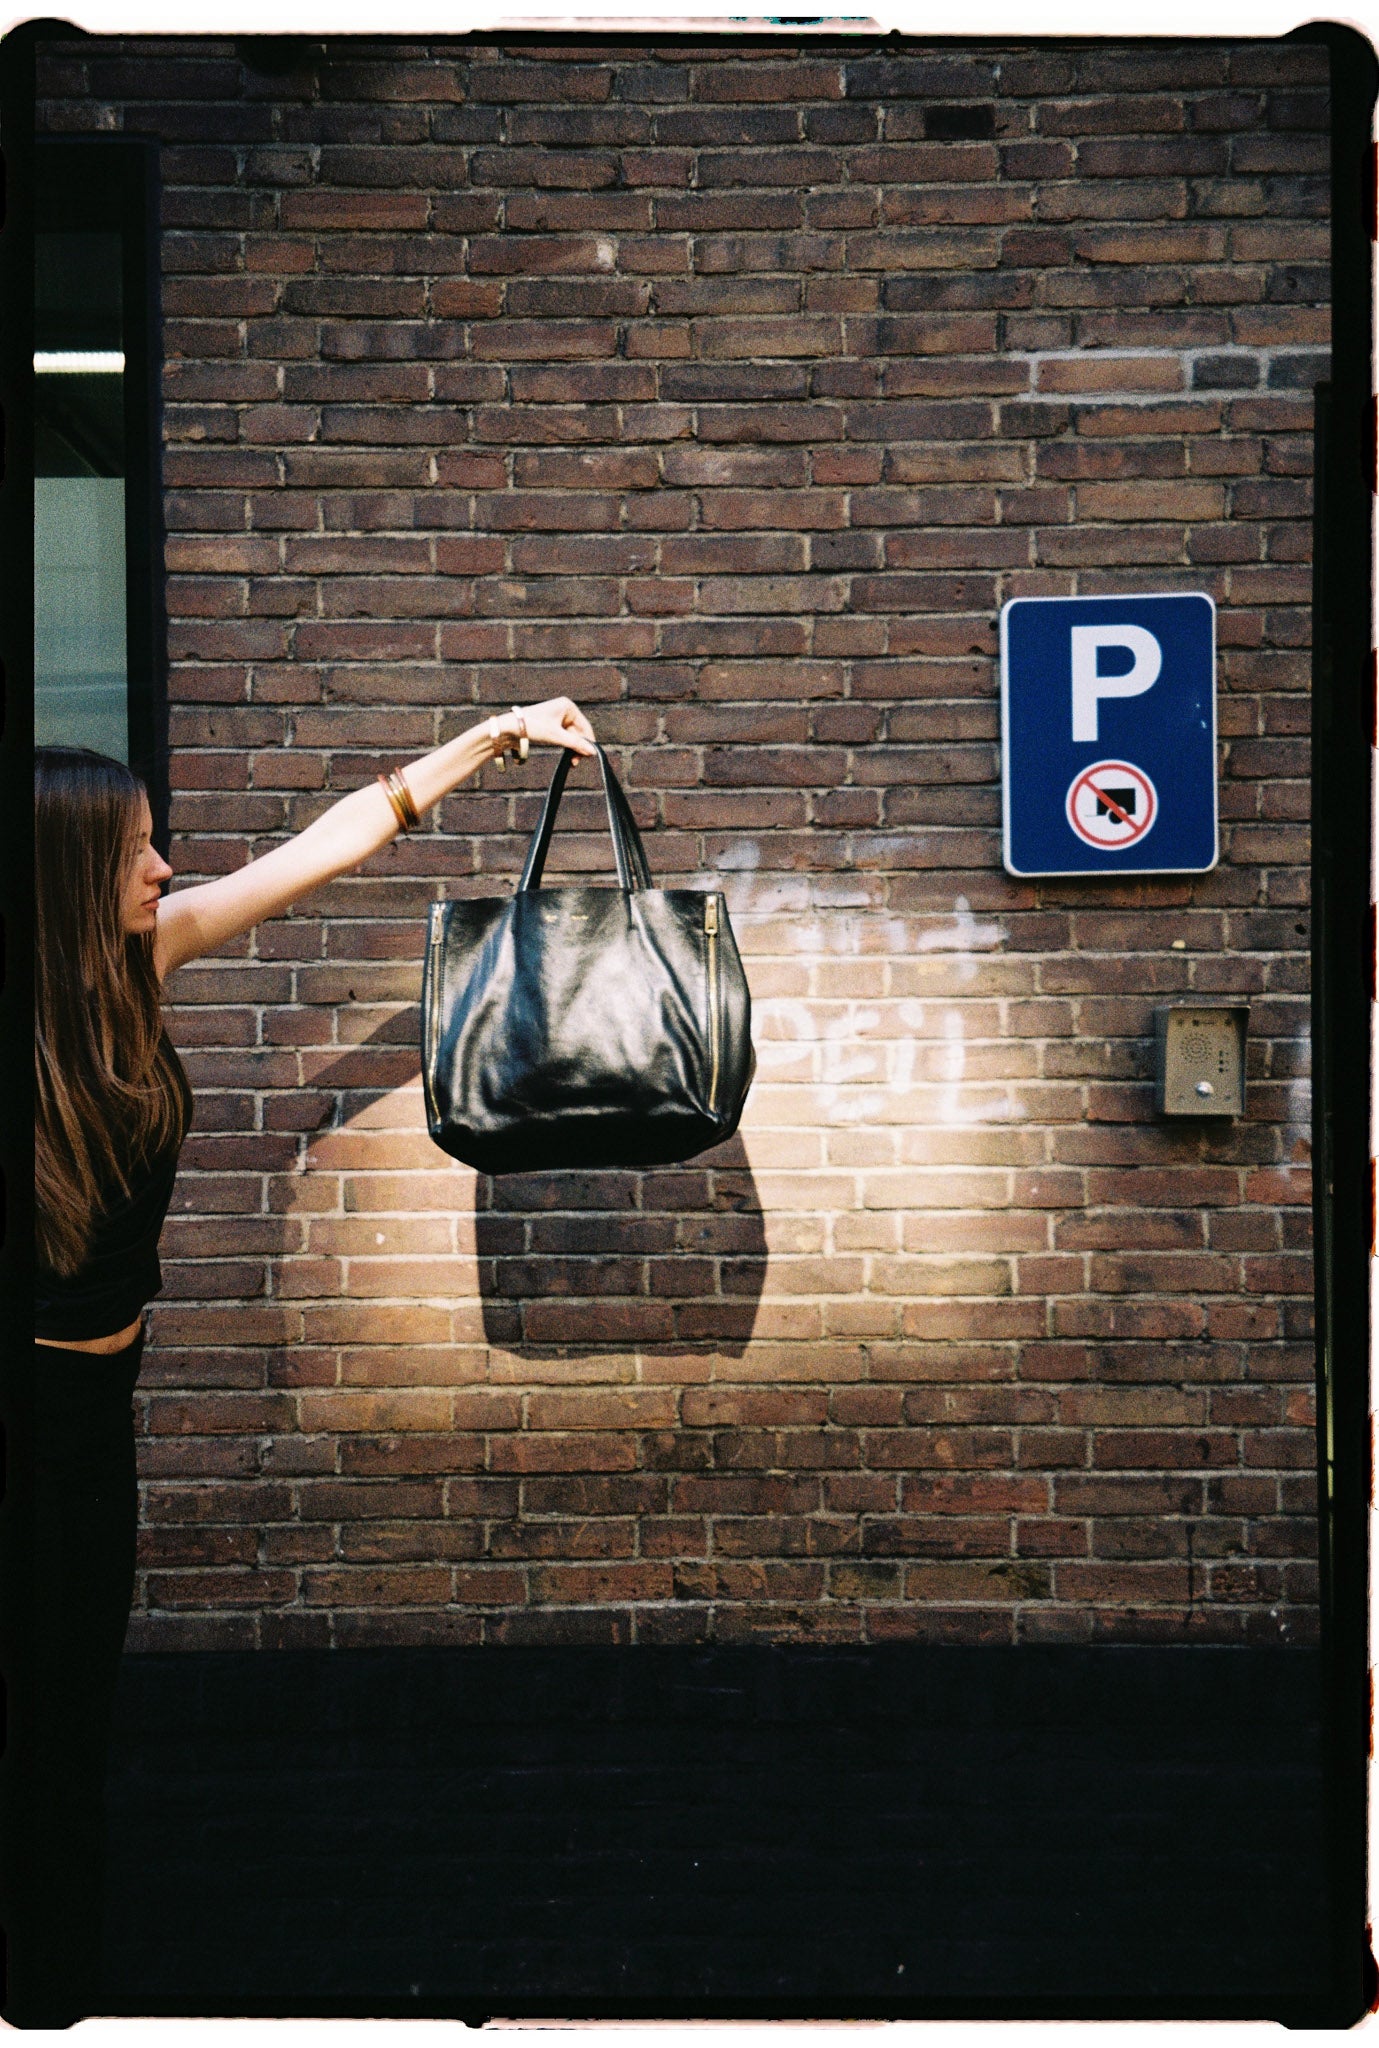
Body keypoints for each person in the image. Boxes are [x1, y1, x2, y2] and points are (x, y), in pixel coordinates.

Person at [7, 700, 597, 2025]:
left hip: (95, 1429)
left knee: (69, 1731)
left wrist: (493, 739)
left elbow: (327, 848)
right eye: (137, 848)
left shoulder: (141, 959)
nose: (164, 867)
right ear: (65, 870)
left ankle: (47, 2006)